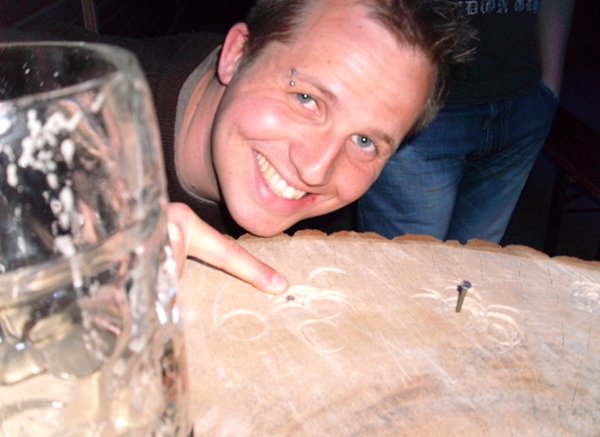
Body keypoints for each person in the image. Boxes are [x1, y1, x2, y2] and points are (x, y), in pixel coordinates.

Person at [3, 0, 474, 292]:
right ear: (236, 55)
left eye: (365, 140)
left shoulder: (333, 222)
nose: (315, 170)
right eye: (306, 99)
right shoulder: (43, 109)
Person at [357, 0, 576, 244]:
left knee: (477, 256)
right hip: (417, 105)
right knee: (407, 258)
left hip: (522, 97)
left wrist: (550, 85)